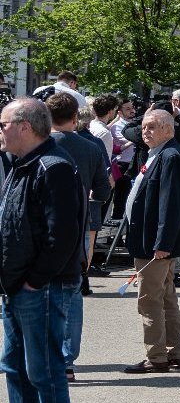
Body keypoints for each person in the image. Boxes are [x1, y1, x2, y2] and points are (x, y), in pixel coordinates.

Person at [0, 98, 86, 403]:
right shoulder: (21, 165)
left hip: (41, 287)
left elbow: (64, 236)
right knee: (16, 368)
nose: (0, 131)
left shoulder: (54, 168)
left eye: (3, 124)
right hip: (18, 286)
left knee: (46, 371)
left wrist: (35, 280)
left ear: (24, 126)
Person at [121, 109, 180, 374]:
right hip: (153, 242)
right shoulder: (161, 153)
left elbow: (170, 204)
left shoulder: (170, 155)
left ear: (168, 130)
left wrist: (163, 243)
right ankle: (173, 353)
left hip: (154, 245)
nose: (145, 131)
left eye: (152, 126)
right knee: (166, 297)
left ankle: (157, 356)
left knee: (150, 300)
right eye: (144, 127)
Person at [43, 94, 108, 373]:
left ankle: (44, 353)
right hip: (77, 225)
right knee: (71, 291)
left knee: (39, 292)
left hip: (42, 227)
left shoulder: (38, 146)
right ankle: (67, 359)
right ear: (75, 118)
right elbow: (104, 189)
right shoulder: (91, 147)